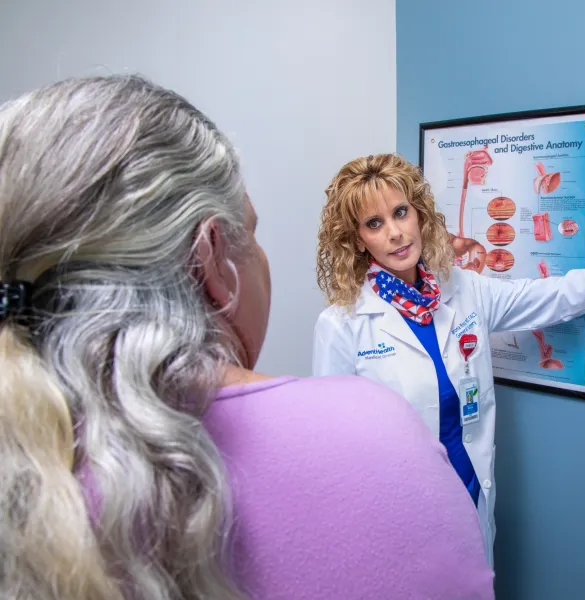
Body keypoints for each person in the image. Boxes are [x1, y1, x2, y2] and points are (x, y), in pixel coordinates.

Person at [0, 76, 496, 599]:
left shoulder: (31, 465)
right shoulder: (373, 425)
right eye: (251, 231)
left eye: (401, 213)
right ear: (211, 258)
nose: (396, 232)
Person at [312, 153, 585, 564]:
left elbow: (557, 296)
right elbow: (337, 456)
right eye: (374, 223)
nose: (395, 233)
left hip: (469, 494)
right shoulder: (343, 326)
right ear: (357, 239)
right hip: (397, 521)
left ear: (419, 213)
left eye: (401, 212)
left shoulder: (465, 290)